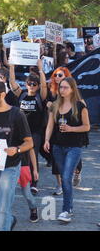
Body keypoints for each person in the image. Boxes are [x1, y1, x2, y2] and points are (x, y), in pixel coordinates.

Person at [0, 81, 33, 231]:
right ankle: (8, 220)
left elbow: (29, 143)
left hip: (11, 166)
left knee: (4, 206)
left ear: (3, 95)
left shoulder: (17, 114)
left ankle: (4, 225)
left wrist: (16, 149)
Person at [44, 77, 90, 223]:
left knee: (65, 177)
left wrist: (71, 128)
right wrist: (46, 140)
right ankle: (68, 207)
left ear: (72, 89)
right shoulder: (55, 105)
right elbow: (50, 125)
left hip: (74, 147)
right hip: (58, 146)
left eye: (65, 87)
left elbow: (87, 126)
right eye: (61, 87)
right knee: (64, 178)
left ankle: (66, 209)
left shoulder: (80, 106)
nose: (62, 90)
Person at [9, 59, 47, 195]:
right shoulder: (22, 94)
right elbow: (12, 84)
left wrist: (41, 70)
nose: (31, 86)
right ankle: (17, 178)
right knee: (17, 154)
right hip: (20, 131)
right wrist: (12, 67)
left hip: (35, 132)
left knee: (33, 156)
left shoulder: (39, 97)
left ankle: (34, 182)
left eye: (34, 84)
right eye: (29, 83)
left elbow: (44, 87)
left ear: (37, 86)